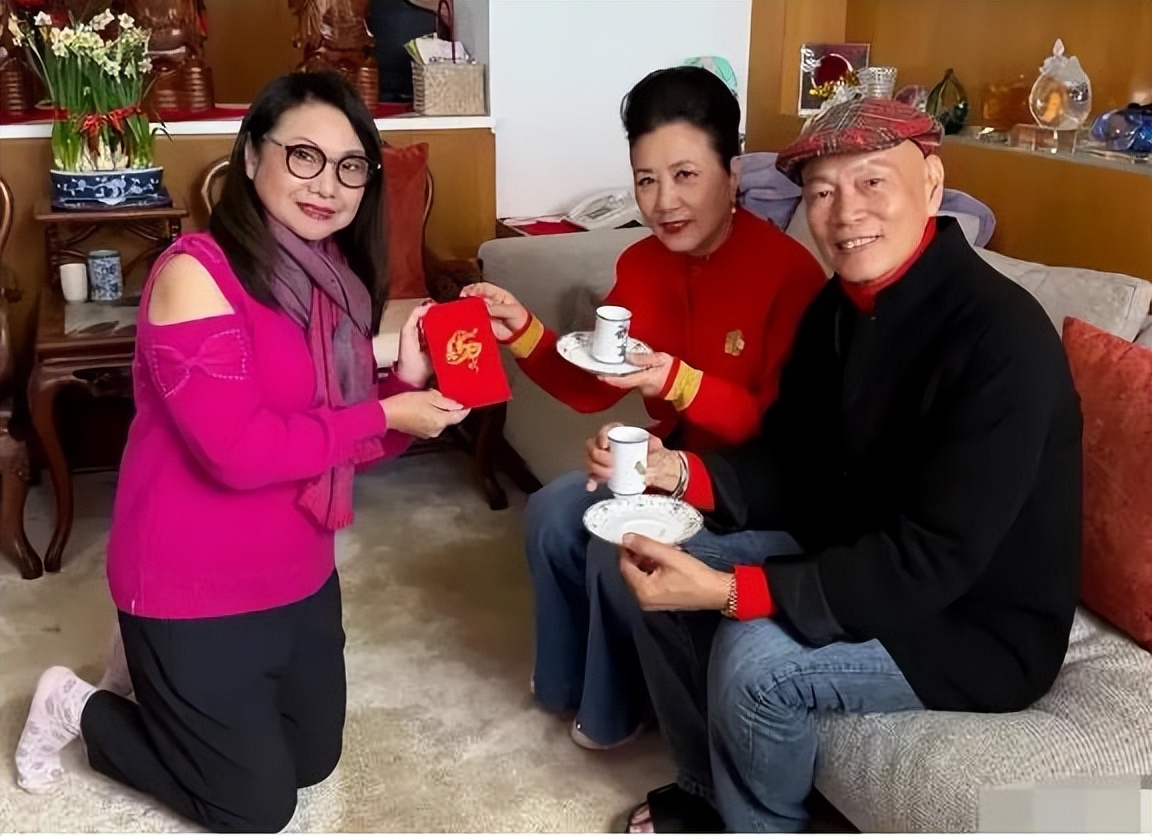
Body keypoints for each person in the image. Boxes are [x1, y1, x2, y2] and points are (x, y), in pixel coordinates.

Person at [14, 71, 469, 832]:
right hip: (190, 576)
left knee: (312, 761)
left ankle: (154, 675)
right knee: (255, 808)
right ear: (253, 155)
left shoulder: (335, 285)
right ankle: (77, 704)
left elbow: (345, 444)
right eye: (304, 156)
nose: (328, 185)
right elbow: (238, 452)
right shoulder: (196, 274)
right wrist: (384, 409)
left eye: (351, 166)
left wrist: (406, 394)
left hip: (298, 569)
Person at [614, 97, 1083, 832]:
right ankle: (707, 795)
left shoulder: (1002, 338)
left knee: (754, 661)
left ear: (932, 184)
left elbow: (934, 557)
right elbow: (792, 458)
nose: (844, 213)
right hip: (851, 546)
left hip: (973, 622)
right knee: (647, 541)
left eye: (871, 182)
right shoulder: (839, 307)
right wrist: (679, 475)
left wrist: (732, 592)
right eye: (822, 192)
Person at [461, 66, 825, 749]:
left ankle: (616, 710)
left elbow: (780, 434)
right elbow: (594, 386)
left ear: (733, 173)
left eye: (685, 175)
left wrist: (680, 384)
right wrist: (524, 331)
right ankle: (563, 682)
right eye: (646, 180)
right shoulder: (641, 263)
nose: (663, 202)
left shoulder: (791, 274)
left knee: (616, 545)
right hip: (669, 464)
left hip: (752, 486)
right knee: (552, 512)